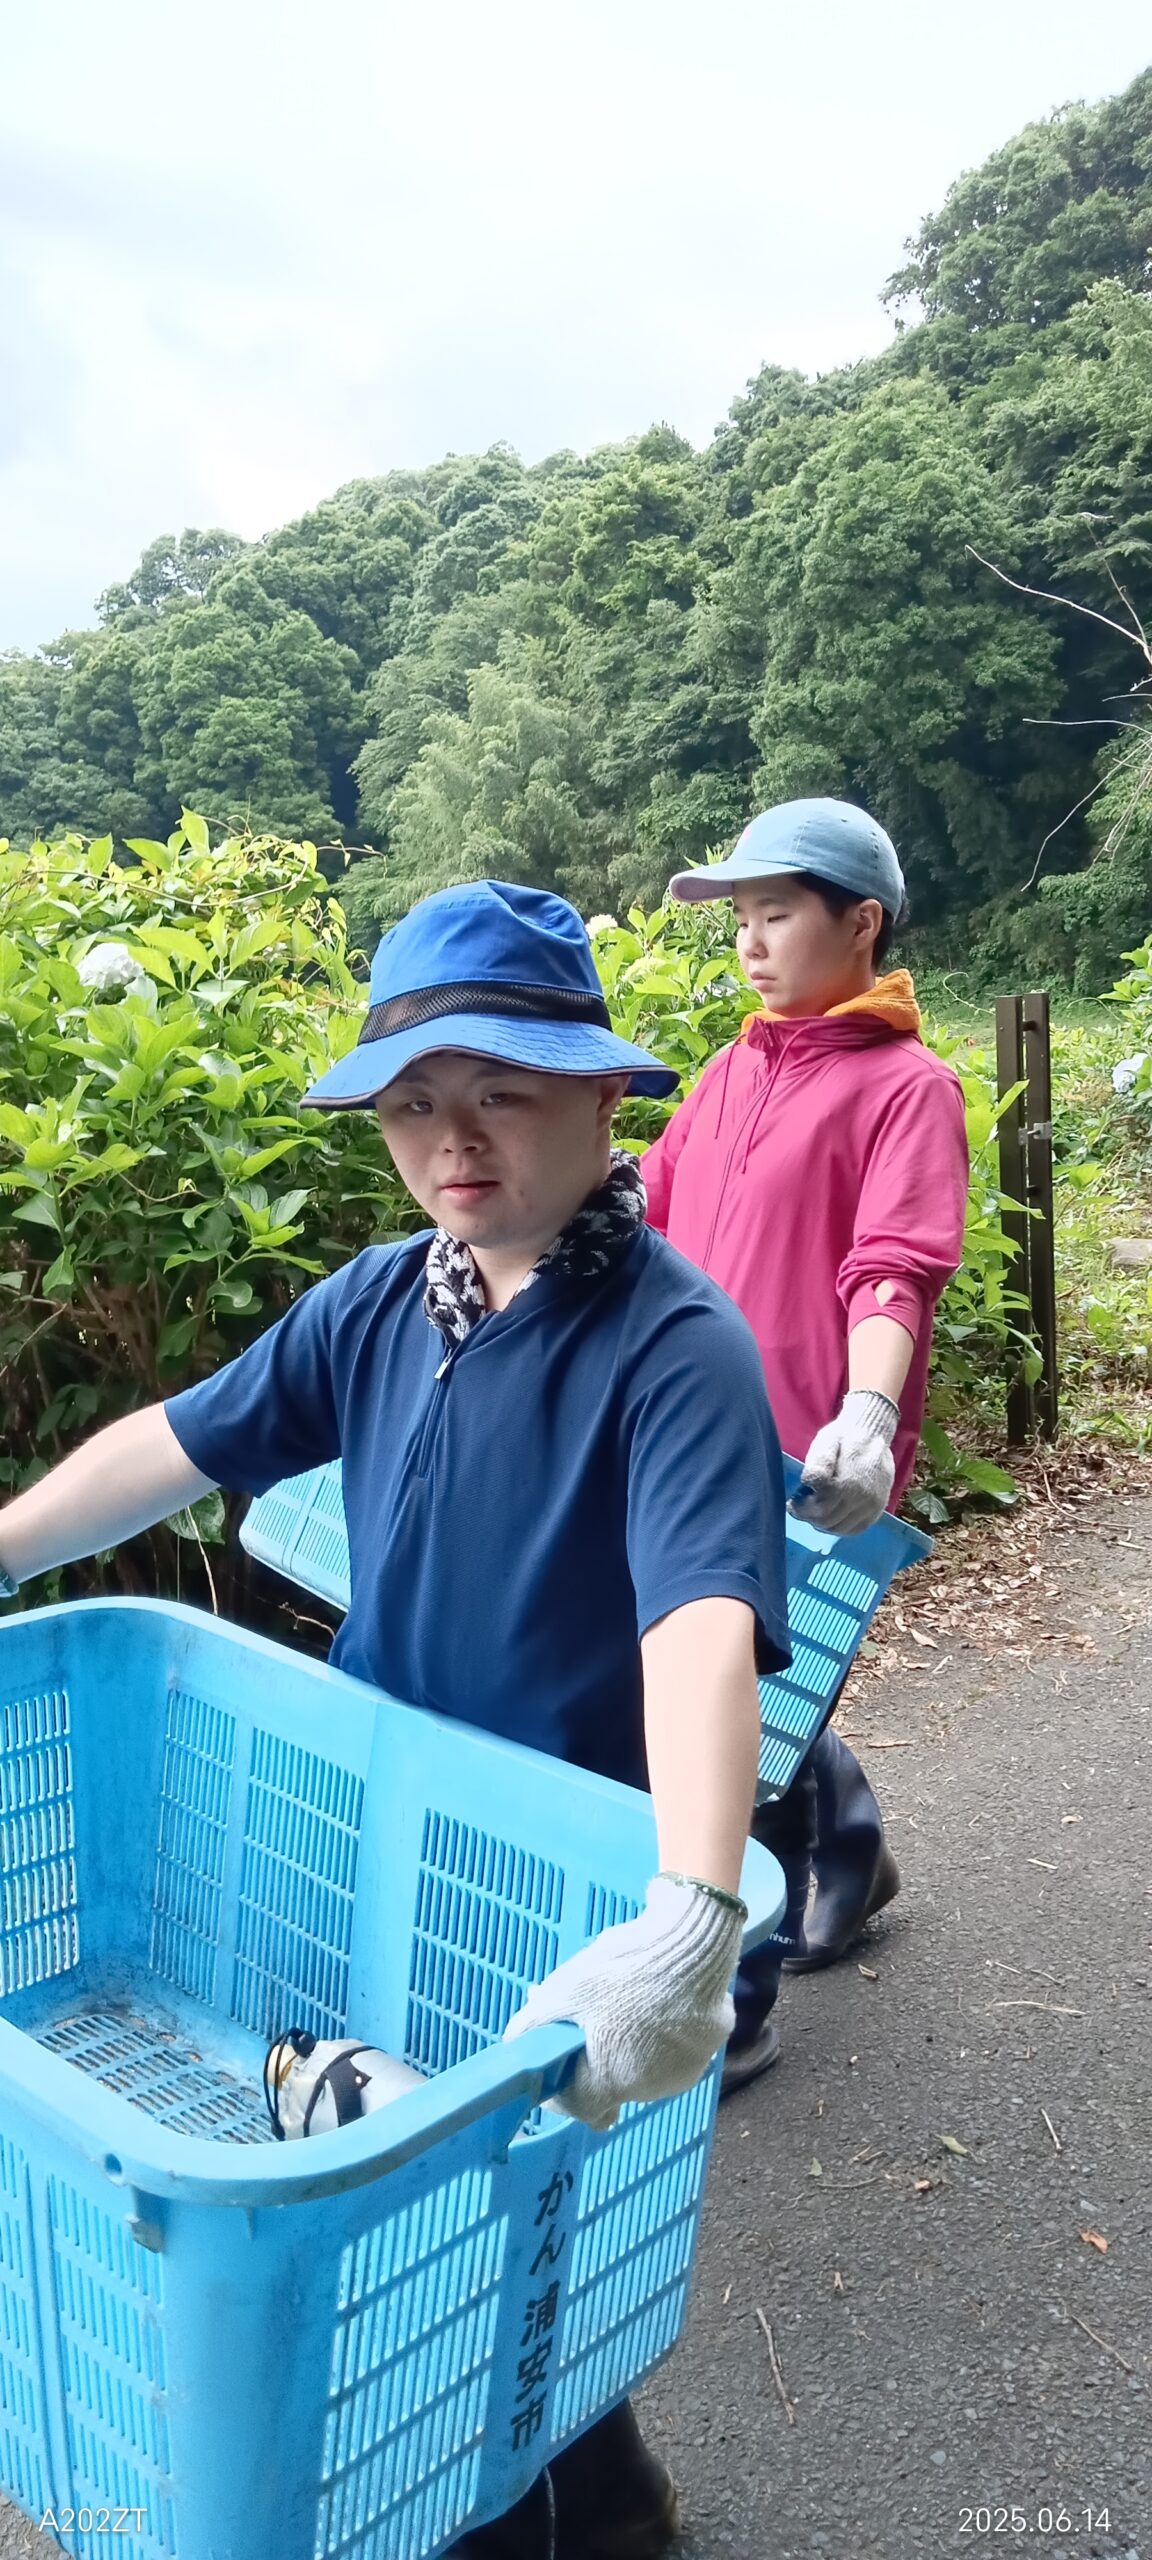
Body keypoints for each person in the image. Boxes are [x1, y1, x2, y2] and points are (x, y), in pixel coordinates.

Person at [0, 878, 791, 2560]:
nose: (453, 1140)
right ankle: (602, 2502)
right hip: (369, 1822)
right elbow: (182, 1440)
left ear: (603, 1091)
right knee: (420, 2198)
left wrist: (693, 1914)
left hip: (555, 1869)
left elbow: (702, 1623)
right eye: (413, 1101)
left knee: (505, 2217)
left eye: (501, 1090)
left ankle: (555, 2514)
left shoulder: (676, 1348)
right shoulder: (386, 1299)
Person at [642, 798, 969, 2092]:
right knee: (742, 1696)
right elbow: (649, 1200)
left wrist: (871, 1414)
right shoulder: (734, 1068)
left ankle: (737, 2011)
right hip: (685, 1442)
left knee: (745, 1724)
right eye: (739, 918)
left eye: (775, 914)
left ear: (862, 922)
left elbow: (896, 1269)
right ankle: (856, 1843)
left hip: (808, 1464)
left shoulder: (908, 1090)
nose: (749, 942)